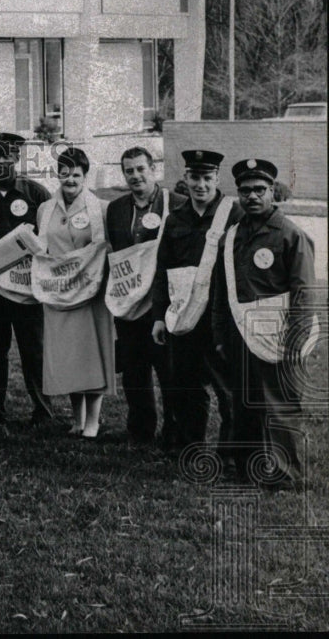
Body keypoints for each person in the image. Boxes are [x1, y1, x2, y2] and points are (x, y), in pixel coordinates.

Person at [212, 158, 317, 490]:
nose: (252, 197)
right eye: (245, 191)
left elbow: (303, 290)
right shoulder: (232, 235)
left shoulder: (290, 235)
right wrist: (219, 332)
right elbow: (221, 287)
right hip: (240, 333)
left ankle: (288, 474)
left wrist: (296, 335)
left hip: (279, 333)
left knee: (280, 403)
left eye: (259, 190)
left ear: (273, 192)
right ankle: (246, 466)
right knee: (244, 401)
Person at [151, 150, 242, 448]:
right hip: (183, 317)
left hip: (221, 319)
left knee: (227, 390)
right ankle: (191, 447)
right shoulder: (175, 219)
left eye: (207, 177)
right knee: (186, 387)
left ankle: (230, 456)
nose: (200, 184)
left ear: (217, 178)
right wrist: (158, 317)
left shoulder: (235, 214)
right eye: (195, 177)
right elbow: (162, 270)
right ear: (186, 178)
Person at [0, 131, 55, 438]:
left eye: (8, 155)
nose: (2, 161)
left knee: (33, 350)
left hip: (28, 285)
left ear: (18, 158)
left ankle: (43, 409)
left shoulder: (36, 193)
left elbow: (49, 240)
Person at [105, 147, 186, 448]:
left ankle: (173, 431)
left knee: (169, 373)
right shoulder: (116, 209)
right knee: (134, 372)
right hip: (128, 306)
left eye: (141, 169)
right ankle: (140, 430)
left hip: (162, 306)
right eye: (129, 170)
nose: (136, 176)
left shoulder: (176, 204)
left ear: (154, 170)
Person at [32, 147, 115, 439]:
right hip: (57, 292)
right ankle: (77, 419)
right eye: (65, 174)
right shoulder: (45, 209)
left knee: (90, 355)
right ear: (58, 175)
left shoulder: (100, 208)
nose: (70, 180)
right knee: (68, 357)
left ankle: (93, 421)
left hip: (90, 293)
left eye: (76, 175)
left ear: (85, 176)